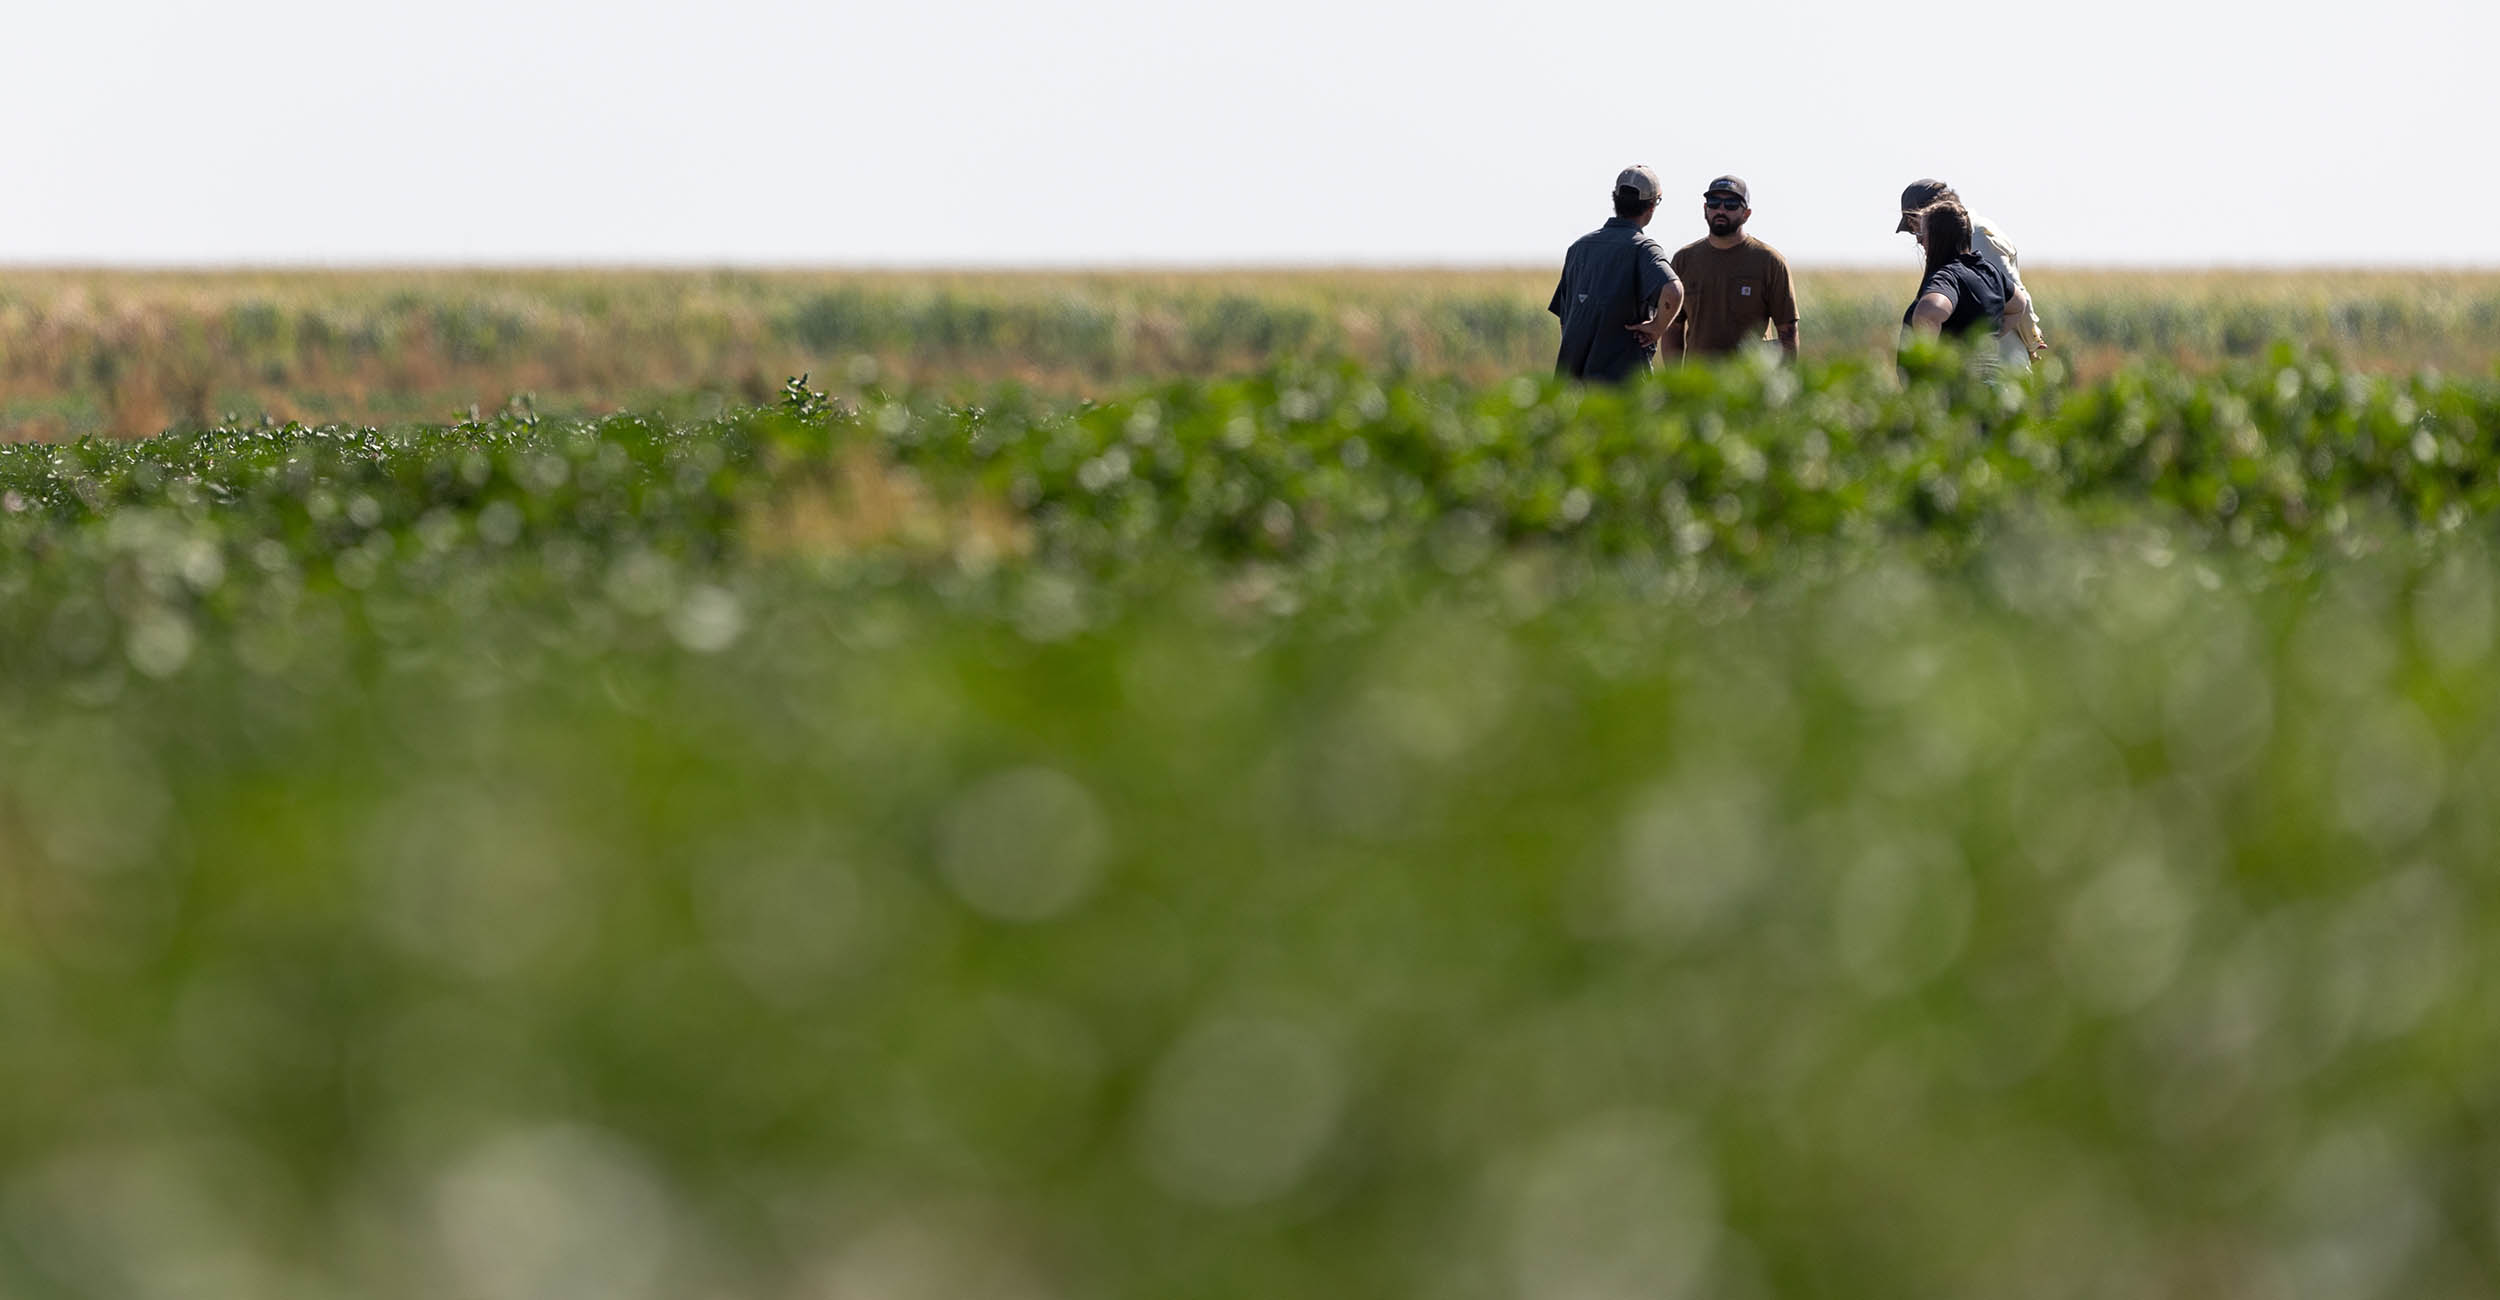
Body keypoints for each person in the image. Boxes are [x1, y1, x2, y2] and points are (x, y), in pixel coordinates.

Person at [1549, 165, 1684, 382]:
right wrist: (1658, 327)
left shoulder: (1578, 248)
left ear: (1615, 199)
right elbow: (1673, 291)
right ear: (1651, 206)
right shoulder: (1643, 248)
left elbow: (1566, 321)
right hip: (1623, 392)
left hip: (1573, 389)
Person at [1897, 179, 2045, 366]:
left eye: (1916, 224)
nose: (1918, 237)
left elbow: (2016, 295)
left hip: (2003, 365)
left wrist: (2032, 342)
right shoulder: (1969, 237)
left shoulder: (1976, 235)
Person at [1657, 175, 1798, 364]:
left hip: (1750, 383)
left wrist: (1783, 386)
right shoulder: (1684, 260)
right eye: (1714, 203)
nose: (1721, 210)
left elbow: (1787, 332)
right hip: (1699, 383)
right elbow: (1673, 327)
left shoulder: (1770, 262)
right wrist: (1675, 381)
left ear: (1746, 214)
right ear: (1705, 209)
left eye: (1731, 204)